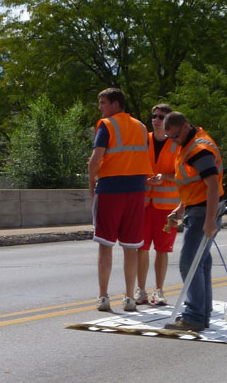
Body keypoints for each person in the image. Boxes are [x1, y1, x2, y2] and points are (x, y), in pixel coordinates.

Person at [88, 88, 153, 312]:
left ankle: (103, 297)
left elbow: (95, 159)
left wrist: (91, 183)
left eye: (103, 103)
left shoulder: (107, 125)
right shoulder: (142, 127)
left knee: (105, 245)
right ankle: (128, 297)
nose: (100, 107)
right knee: (131, 247)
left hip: (110, 190)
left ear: (116, 104)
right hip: (135, 191)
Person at [160, 111, 223, 332]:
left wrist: (210, 220)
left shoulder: (198, 150)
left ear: (185, 127)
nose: (173, 141)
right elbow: (194, 184)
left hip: (203, 211)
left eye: (175, 136)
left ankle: (194, 316)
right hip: (196, 207)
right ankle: (202, 314)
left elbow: (213, 185)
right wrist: (181, 207)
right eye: (169, 138)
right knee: (201, 263)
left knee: (189, 262)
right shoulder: (188, 145)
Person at [135, 103, 179, 306]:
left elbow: (184, 175)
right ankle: (141, 290)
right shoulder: (144, 141)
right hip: (143, 205)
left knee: (163, 250)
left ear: (169, 120)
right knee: (141, 248)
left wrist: (165, 178)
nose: (156, 120)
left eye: (161, 117)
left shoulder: (177, 144)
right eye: (154, 116)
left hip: (168, 208)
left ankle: (159, 291)